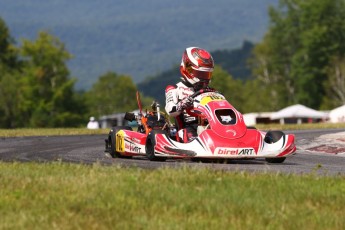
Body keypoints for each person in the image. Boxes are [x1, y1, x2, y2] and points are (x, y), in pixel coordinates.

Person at [165, 47, 215, 142]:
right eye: (201, 74)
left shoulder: (209, 91)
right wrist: (182, 104)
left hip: (210, 126)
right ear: (187, 69)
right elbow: (170, 110)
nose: (204, 79)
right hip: (188, 128)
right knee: (192, 137)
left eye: (207, 75)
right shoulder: (174, 89)